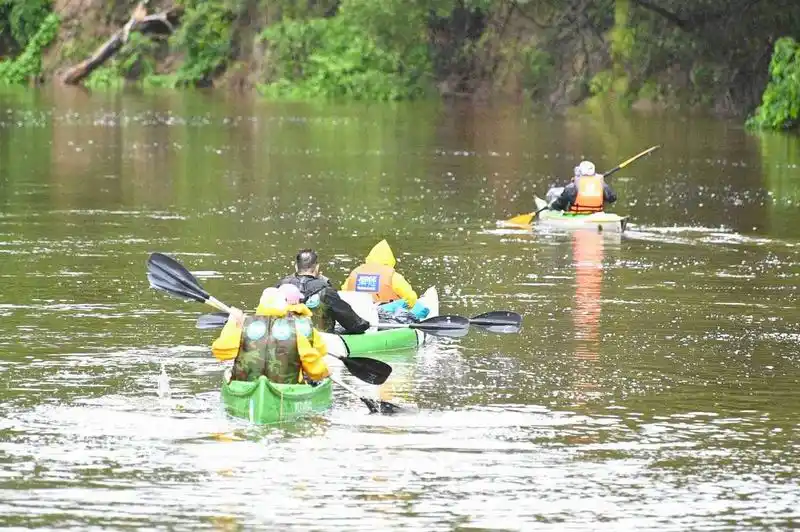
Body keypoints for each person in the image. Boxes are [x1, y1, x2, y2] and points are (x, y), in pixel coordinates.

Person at [211, 286, 330, 384]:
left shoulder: (243, 328)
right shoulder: (295, 332)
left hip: (246, 386)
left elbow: (220, 352)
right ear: (283, 307)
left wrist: (233, 323)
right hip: (285, 389)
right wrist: (325, 373)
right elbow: (316, 369)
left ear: (260, 305)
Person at [276, 249, 370, 335]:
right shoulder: (325, 290)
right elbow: (353, 323)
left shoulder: (280, 286)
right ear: (317, 267)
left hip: (285, 338)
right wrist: (365, 325)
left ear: (296, 267)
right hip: (320, 339)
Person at [341, 239, 429, 320]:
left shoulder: (355, 273)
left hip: (357, 313)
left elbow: (343, 293)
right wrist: (406, 309)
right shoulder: (392, 276)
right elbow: (411, 297)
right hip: (385, 314)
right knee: (422, 309)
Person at [549, 160, 617, 214]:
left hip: (576, 216)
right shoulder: (602, 185)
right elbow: (612, 198)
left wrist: (551, 208)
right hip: (596, 215)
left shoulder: (571, 187)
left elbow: (559, 205)